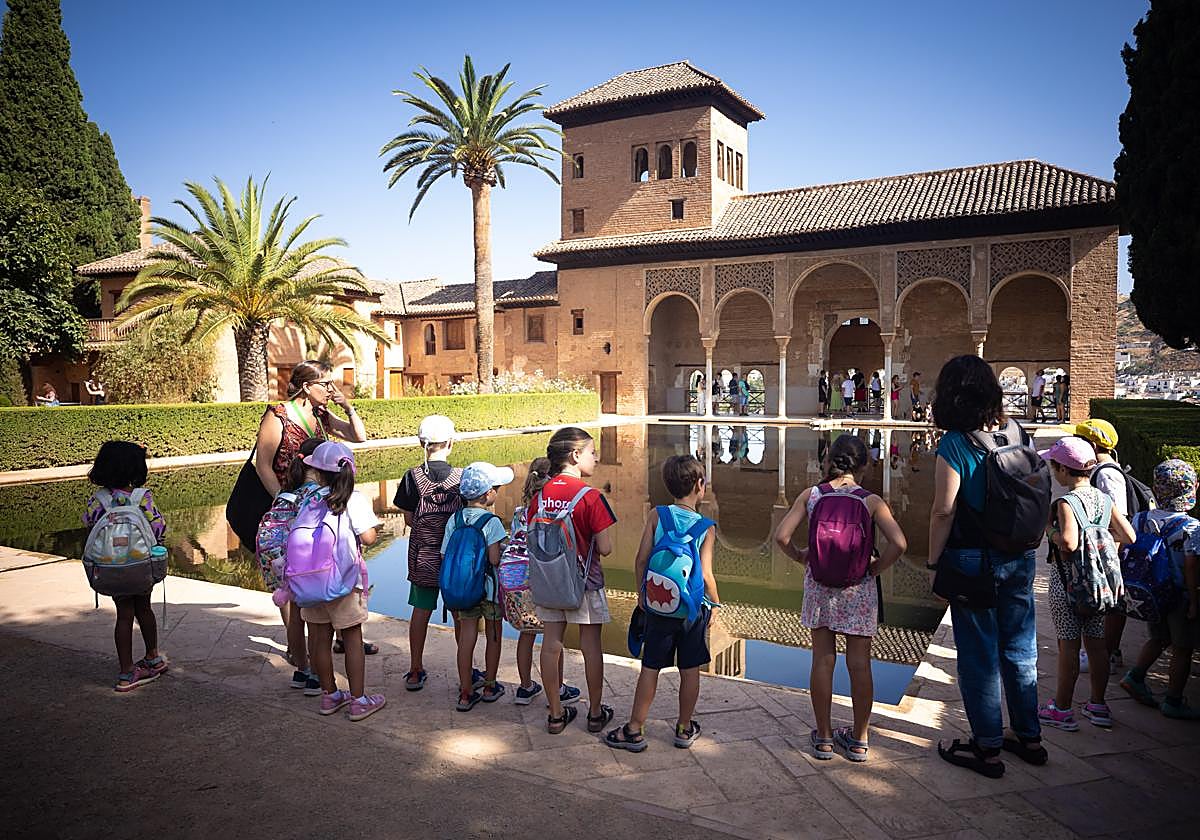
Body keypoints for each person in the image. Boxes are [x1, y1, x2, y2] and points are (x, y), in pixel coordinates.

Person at [927, 355, 1044, 778]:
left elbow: (943, 512)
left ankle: (988, 747)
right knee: (1019, 647)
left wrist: (934, 562)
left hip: (973, 558)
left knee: (978, 657)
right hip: (1019, 555)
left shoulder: (956, 444)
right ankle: (1029, 737)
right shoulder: (1017, 431)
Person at [773, 434, 907, 761]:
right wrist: (874, 569)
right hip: (857, 589)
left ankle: (824, 737)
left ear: (829, 460)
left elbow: (781, 536)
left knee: (822, 660)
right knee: (859, 664)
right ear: (863, 466)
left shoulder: (813, 495)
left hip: (820, 586)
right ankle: (859, 740)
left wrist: (802, 556)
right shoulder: (870, 501)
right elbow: (900, 544)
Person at [253, 361, 374, 664]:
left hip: (316, 508)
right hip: (292, 510)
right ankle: (301, 658)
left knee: (322, 574)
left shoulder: (320, 414)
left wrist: (348, 408)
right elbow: (263, 465)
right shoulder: (277, 415)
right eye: (326, 384)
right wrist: (284, 502)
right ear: (307, 387)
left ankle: (329, 641)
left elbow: (357, 436)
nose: (331, 390)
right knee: (294, 585)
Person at [606, 455, 721, 752]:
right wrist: (716, 606)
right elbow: (706, 575)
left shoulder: (658, 515)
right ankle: (684, 728)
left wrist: (641, 594)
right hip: (691, 611)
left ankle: (634, 728)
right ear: (700, 486)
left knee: (651, 667)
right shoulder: (706, 527)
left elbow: (641, 559)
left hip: (659, 605)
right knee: (690, 668)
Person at [1039, 436, 1134, 731]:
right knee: (1097, 646)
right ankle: (1098, 705)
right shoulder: (1103, 500)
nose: (1054, 472)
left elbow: (1067, 542)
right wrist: (1100, 539)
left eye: (1055, 466)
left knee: (1068, 645)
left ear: (1064, 470)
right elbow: (1128, 536)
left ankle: (1062, 709)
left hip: (1068, 583)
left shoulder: (1067, 502)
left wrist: (1049, 531)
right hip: (1098, 586)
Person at [532, 427, 617, 734]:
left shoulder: (540, 494)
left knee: (551, 642)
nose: (596, 457)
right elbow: (605, 548)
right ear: (575, 455)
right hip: (584, 582)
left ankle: (555, 714)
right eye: (592, 452)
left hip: (549, 581)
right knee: (590, 644)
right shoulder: (591, 497)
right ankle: (595, 714)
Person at [298, 441, 385, 721]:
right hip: (344, 583)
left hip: (310, 581)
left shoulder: (307, 498)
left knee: (319, 639)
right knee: (352, 639)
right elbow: (369, 537)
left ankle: (330, 695)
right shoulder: (353, 498)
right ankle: (359, 700)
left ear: (318, 472)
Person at [83, 441, 168, 691]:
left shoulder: (98, 500)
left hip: (111, 569)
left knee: (124, 614)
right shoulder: (143, 497)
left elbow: (89, 525)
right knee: (144, 609)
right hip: (141, 566)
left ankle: (126, 671)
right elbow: (159, 527)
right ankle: (153, 656)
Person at [1119, 460, 1200, 719]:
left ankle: (1136, 677)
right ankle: (1174, 700)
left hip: (1151, 592)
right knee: (1183, 647)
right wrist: (1195, 600)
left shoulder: (1141, 518)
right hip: (1179, 595)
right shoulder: (1191, 527)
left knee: (1158, 637)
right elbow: (1191, 567)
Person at [394, 414, 463, 691]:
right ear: (450, 443)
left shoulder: (412, 477)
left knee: (420, 611)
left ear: (422, 443)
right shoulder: (462, 477)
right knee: (461, 614)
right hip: (454, 559)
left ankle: (415, 668)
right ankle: (466, 670)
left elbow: (410, 519)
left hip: (423, 555)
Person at [509, 458, 580, 706]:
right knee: (554, 635)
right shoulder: (551, 512)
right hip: (545, 579)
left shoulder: (519, 513)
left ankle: (525, 687)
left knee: (526, 634)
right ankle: (557, 688)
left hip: (519, 583)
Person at [443, 461, 513, 710]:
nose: (498, 491)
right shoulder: (491, 522)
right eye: (496, 487)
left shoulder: (455, 519)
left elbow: (444, 555)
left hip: (464, 589)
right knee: (493, 636)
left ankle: (465, 691)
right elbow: (494, 559)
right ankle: (490, 685)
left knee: (467, 637)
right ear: (487, 494)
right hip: (489, 592)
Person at [1075, 419, 1134, 670]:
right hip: (1106, 550)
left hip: (1111, 552)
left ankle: (1107, 653)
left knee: (1110, 606)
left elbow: (1119, 517)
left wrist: (1109, 560)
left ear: (1092, 443)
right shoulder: (1101, 470)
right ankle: (1108, 651)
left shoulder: (1107, 474)